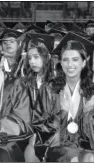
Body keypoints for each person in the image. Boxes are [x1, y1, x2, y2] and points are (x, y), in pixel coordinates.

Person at [32, 33, 94, 162]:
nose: (70, 64)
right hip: (57, 145)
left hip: (87, 145)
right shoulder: (49, 89)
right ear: (60, 62)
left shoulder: (92, 92)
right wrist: (62, 113)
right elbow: (38, 124)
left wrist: (89, 114)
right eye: (65, 60)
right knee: (73, 158)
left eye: (75, 59)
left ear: (83, 63)